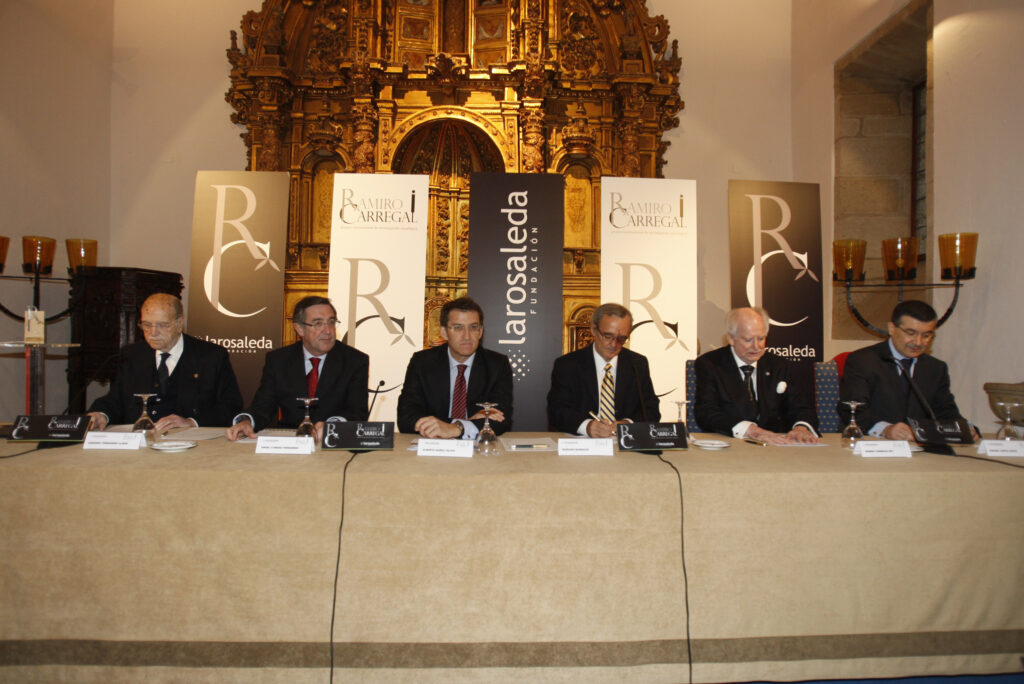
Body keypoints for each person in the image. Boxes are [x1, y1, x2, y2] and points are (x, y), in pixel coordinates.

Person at [87, 293, 243, 431]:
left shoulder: (210, 356)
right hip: (140, 445)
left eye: (162, 325)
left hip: (191, 444)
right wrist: (101, 414)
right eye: (147, 325)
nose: (153, 333)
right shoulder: (132, 355)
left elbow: (230, 406)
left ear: (179, 323)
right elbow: (116, 399)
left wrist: (191, 422)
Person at [225, 296, 369, 440]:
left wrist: (333, 426)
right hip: (289, 441)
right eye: (318, 323)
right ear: (299, 328)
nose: (328, 330)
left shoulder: (354, 361)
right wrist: (247, 421)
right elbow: (263, 405)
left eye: (331, 322)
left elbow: (357, 411)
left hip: (333, 442)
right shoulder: (278, 360)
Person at [839, 299, 973, 441]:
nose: (918, 342)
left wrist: (967, 429)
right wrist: (885, 429)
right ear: (891, 329)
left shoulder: (936, 368)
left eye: (927, 335)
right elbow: (852, 410)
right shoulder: (863, 360)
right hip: (872, 446)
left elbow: (946, 412)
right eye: (911, 333)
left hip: (920, 452)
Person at [694, 307, 819, 445]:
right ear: (731, 339)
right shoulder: (710, 364)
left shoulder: (778, 365)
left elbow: (801, 407)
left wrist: (801, 427)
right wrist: (752, 431)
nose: (756, 346)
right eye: (748, 340)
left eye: (761, 338)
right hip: (731, 445)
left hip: (776, 447)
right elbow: (707, 413)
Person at [397, 296, 514, 439]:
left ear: (481, 331)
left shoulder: (497, 364)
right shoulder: (422, 363)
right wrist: (467, 423)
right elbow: (406, 418)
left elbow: (501, 419)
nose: (467, 336)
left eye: (473, 327)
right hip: (433, 449)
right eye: (458, 328)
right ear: (444, 332)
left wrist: (456, 428)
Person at [547, 302, 660, 437]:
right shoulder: (568, 364)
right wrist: (587, 426)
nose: (614, 344)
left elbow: (651, 410)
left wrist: (628, 424)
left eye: (622, 338)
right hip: (583, 445)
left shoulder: (637, 363)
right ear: (594, 330)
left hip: (625, 444)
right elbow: (557, 411)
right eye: (608, 336)